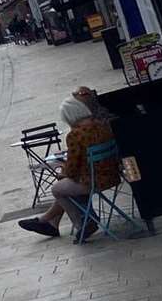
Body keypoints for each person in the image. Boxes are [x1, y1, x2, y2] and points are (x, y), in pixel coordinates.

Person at [17, 96, 121, 242]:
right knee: (66, 186)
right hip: (113, 175)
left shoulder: (76, 134)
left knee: (58, 189)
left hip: (92, 180)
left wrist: (63, 171)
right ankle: (51, 223)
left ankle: (82, 224)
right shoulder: (103, 125)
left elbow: (72, 168)